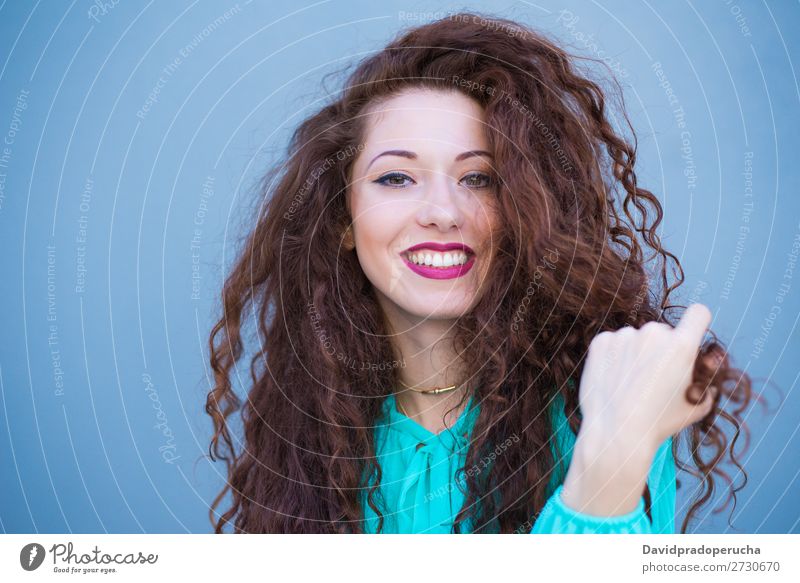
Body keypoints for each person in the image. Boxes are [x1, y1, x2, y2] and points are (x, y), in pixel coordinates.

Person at [205, 12, 752, 534]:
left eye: (479, 179)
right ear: (342, 221)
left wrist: (612, 455)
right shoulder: (311, 434)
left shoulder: (600, 406)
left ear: (522, 211)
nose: (443, 211)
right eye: (396, 178)